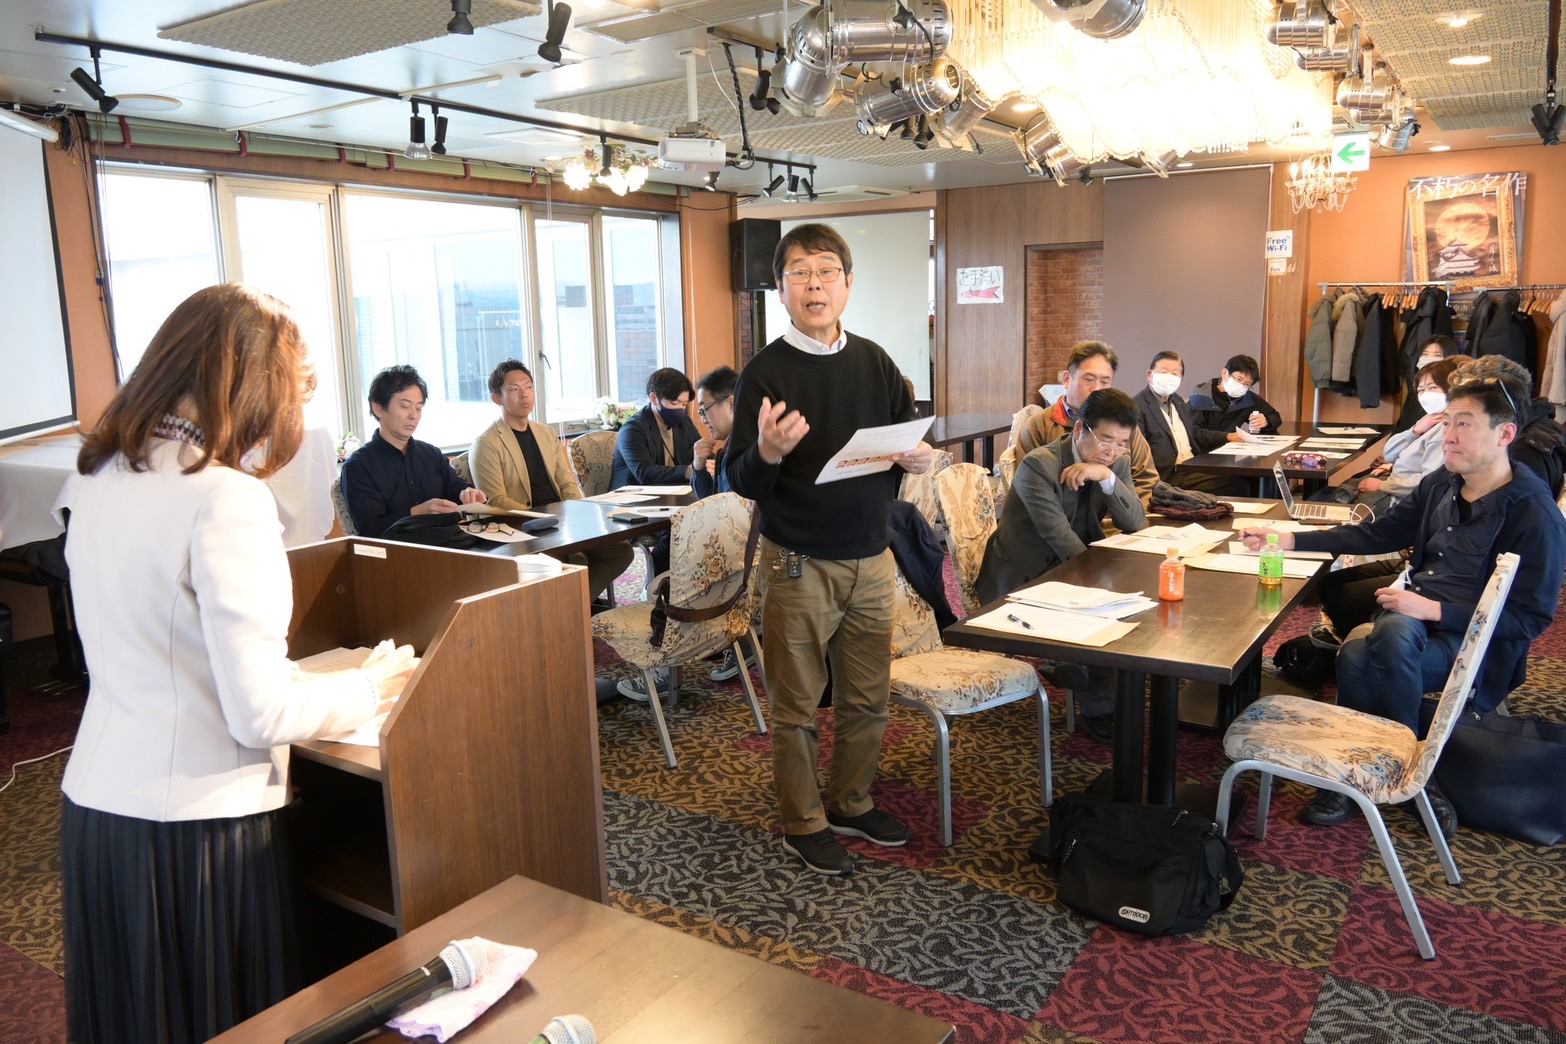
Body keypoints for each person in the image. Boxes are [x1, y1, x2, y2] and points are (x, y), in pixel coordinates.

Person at [58, 284, 417, 1042]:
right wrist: (367, 686)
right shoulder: (225, 497)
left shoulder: (97, 477)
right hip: (195, 824)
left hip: (99, 807)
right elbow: (259, 715)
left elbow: (166, 650)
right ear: (256, 385)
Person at [1242, 373, 1566, 835]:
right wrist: (1290, 537)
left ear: (1505, 434)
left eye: (1464, 424)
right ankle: (1394, 775)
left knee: (1369, 647)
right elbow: (1377, 533)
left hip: (1473, 643)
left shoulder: (1533, 513)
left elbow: (1530, 619)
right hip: (1413, 627)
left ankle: (1375, 775)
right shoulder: (1443, 483)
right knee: (1368, 647)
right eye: (1447, 421)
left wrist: (1431, 610)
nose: (1448, 436)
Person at [724, 222, 933, 876]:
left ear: (847, 283)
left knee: (868, 697)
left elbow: (900, 443)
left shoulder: (874, 361)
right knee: (796, 705)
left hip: (871, 558)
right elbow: (741, 480)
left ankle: (850, 799)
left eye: (826, 272)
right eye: (800, 274)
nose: (814, 284)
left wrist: (917, 458)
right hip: (798, 562)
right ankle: (802, 819)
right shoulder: (764, 372)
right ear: (781, 289)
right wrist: (765, 451)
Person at [977, 388, 1146, 742]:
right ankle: (1098, 705)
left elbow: (1135, 523)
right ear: (1081, 428)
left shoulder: (1115, 463)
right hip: (1025, 573)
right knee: (1105, 605)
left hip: (1079, 560)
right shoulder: (1039, 465)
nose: (1112, 451)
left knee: (1137, 592)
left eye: (1122, 443)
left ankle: (1088, 673)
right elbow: (1058, 537)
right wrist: (1101, 587)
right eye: (1105, 440)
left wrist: (1108, 477)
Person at [468, 360, 633, 601]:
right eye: (514, 389)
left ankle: (574, 603)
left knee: (620, 551)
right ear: (497, 398)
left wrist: (579, 513)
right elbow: (496, 502)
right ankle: (568, 607)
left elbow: (566, 483)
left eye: (528, 387)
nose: (524, 394)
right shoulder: (487, 443)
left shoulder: (544, 432)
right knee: (554, 563)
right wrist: (542, 518)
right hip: (525, 526)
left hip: (562, 520)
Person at [340, 364, 486, 539]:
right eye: (404, 406)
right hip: (399, 556)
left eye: (418, 407)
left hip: (449, 543)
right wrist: (415, 513)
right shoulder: (359, 466)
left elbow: (455, 488)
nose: (413, 415)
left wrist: (468, 493)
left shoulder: (431, 454)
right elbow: (370, 529)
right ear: (378, 408)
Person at [1016, 340, 1158, 507]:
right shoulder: (1039, 426)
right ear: (1067, 379)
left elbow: (1146, 480)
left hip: (1117, 523)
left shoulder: (1122, 427)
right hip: (1060, 521)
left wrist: (1126, 517)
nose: (1097, 389)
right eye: (1089, 379)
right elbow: (1028, 486)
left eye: (1105, 382)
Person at [610, 367, 703, 577]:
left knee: (704, 519)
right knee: (679, 527)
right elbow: (645, 473)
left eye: (684, 404)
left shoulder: (683, 423)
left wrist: (708, 464)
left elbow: (698, 455)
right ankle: (659, 583)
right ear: (654, 398)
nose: (680, 409)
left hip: (673, 499)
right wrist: (689, 470)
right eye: (674, 403)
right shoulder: (633, 429)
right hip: (636, 503)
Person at [1132, 350, 1240, 495]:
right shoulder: (1137, 406)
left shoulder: (1177, 401)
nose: (1169, 377)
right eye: (1164, 372)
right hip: (1167, 476)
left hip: (1191, 466)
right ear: (1150, 375)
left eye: (1175, 373)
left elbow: (1193, 433)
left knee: (1240, 476)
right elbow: (1137, 454)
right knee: (1236, 484)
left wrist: (1227, 437)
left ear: (1181, 379)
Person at [1189, 354, 1283, 438]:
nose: (1241, 386)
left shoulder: (1247, 398)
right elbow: (1193, 433)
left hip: (1231, 451)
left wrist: (1266, 422)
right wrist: (1227, 437)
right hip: (1202, 453)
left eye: (1247, 384)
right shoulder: (1201, 396)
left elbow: (1275, 416)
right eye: (1239, 379)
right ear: (1225, 373)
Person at [1392, 335, 1457, 435]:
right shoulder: (1414, 396)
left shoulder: (1456, 402)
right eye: (1425, 354)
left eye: (1437, 355)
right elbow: (1399, 432)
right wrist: (1416, 431)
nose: (1429, 359)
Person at [691, 365, 738, 500]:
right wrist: (699, 466)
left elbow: (727, 513)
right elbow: (711, 503)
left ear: (731, 404)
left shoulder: (743, 449)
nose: (703, 420)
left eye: (705, 409)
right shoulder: (729, 446)